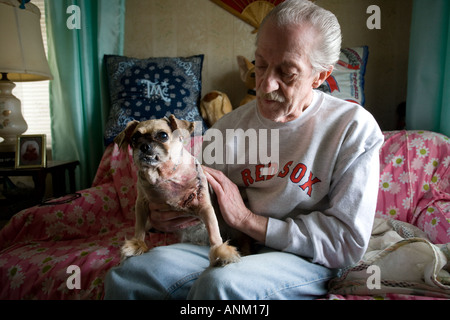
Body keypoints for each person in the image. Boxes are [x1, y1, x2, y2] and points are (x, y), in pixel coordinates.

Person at [104, 0, 384, 300]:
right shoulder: (228, 128)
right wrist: (168, 212)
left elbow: (347, 243)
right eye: (260, 64)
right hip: (236, 245)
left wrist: (248, 221)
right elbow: (199, 202)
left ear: (320, 76)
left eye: (287, 73)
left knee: (221, 285)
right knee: (129, 275)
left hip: (306, 259)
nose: (264, 85)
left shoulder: (353, 128)